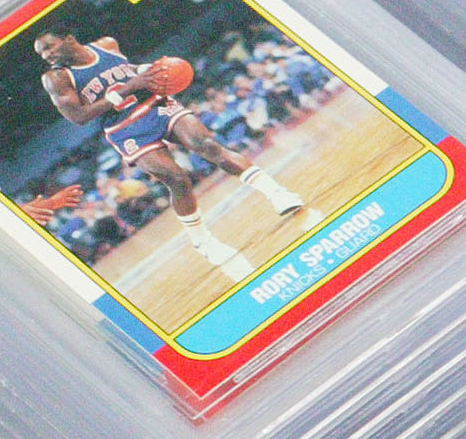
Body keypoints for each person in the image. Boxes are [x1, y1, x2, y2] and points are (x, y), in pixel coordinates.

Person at [33, 29, 301, 282]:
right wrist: (128, 87)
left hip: (155, 105)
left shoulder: (107, 45)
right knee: (176, 178)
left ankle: (277, 193)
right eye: (41, 53)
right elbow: (78, 116)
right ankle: (203, 241)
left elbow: (129, 71)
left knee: (208, 145)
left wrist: (150, 71)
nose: (46, 55)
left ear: (68, 39)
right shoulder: (56, 78)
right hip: (125, 128)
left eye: (48, 47)